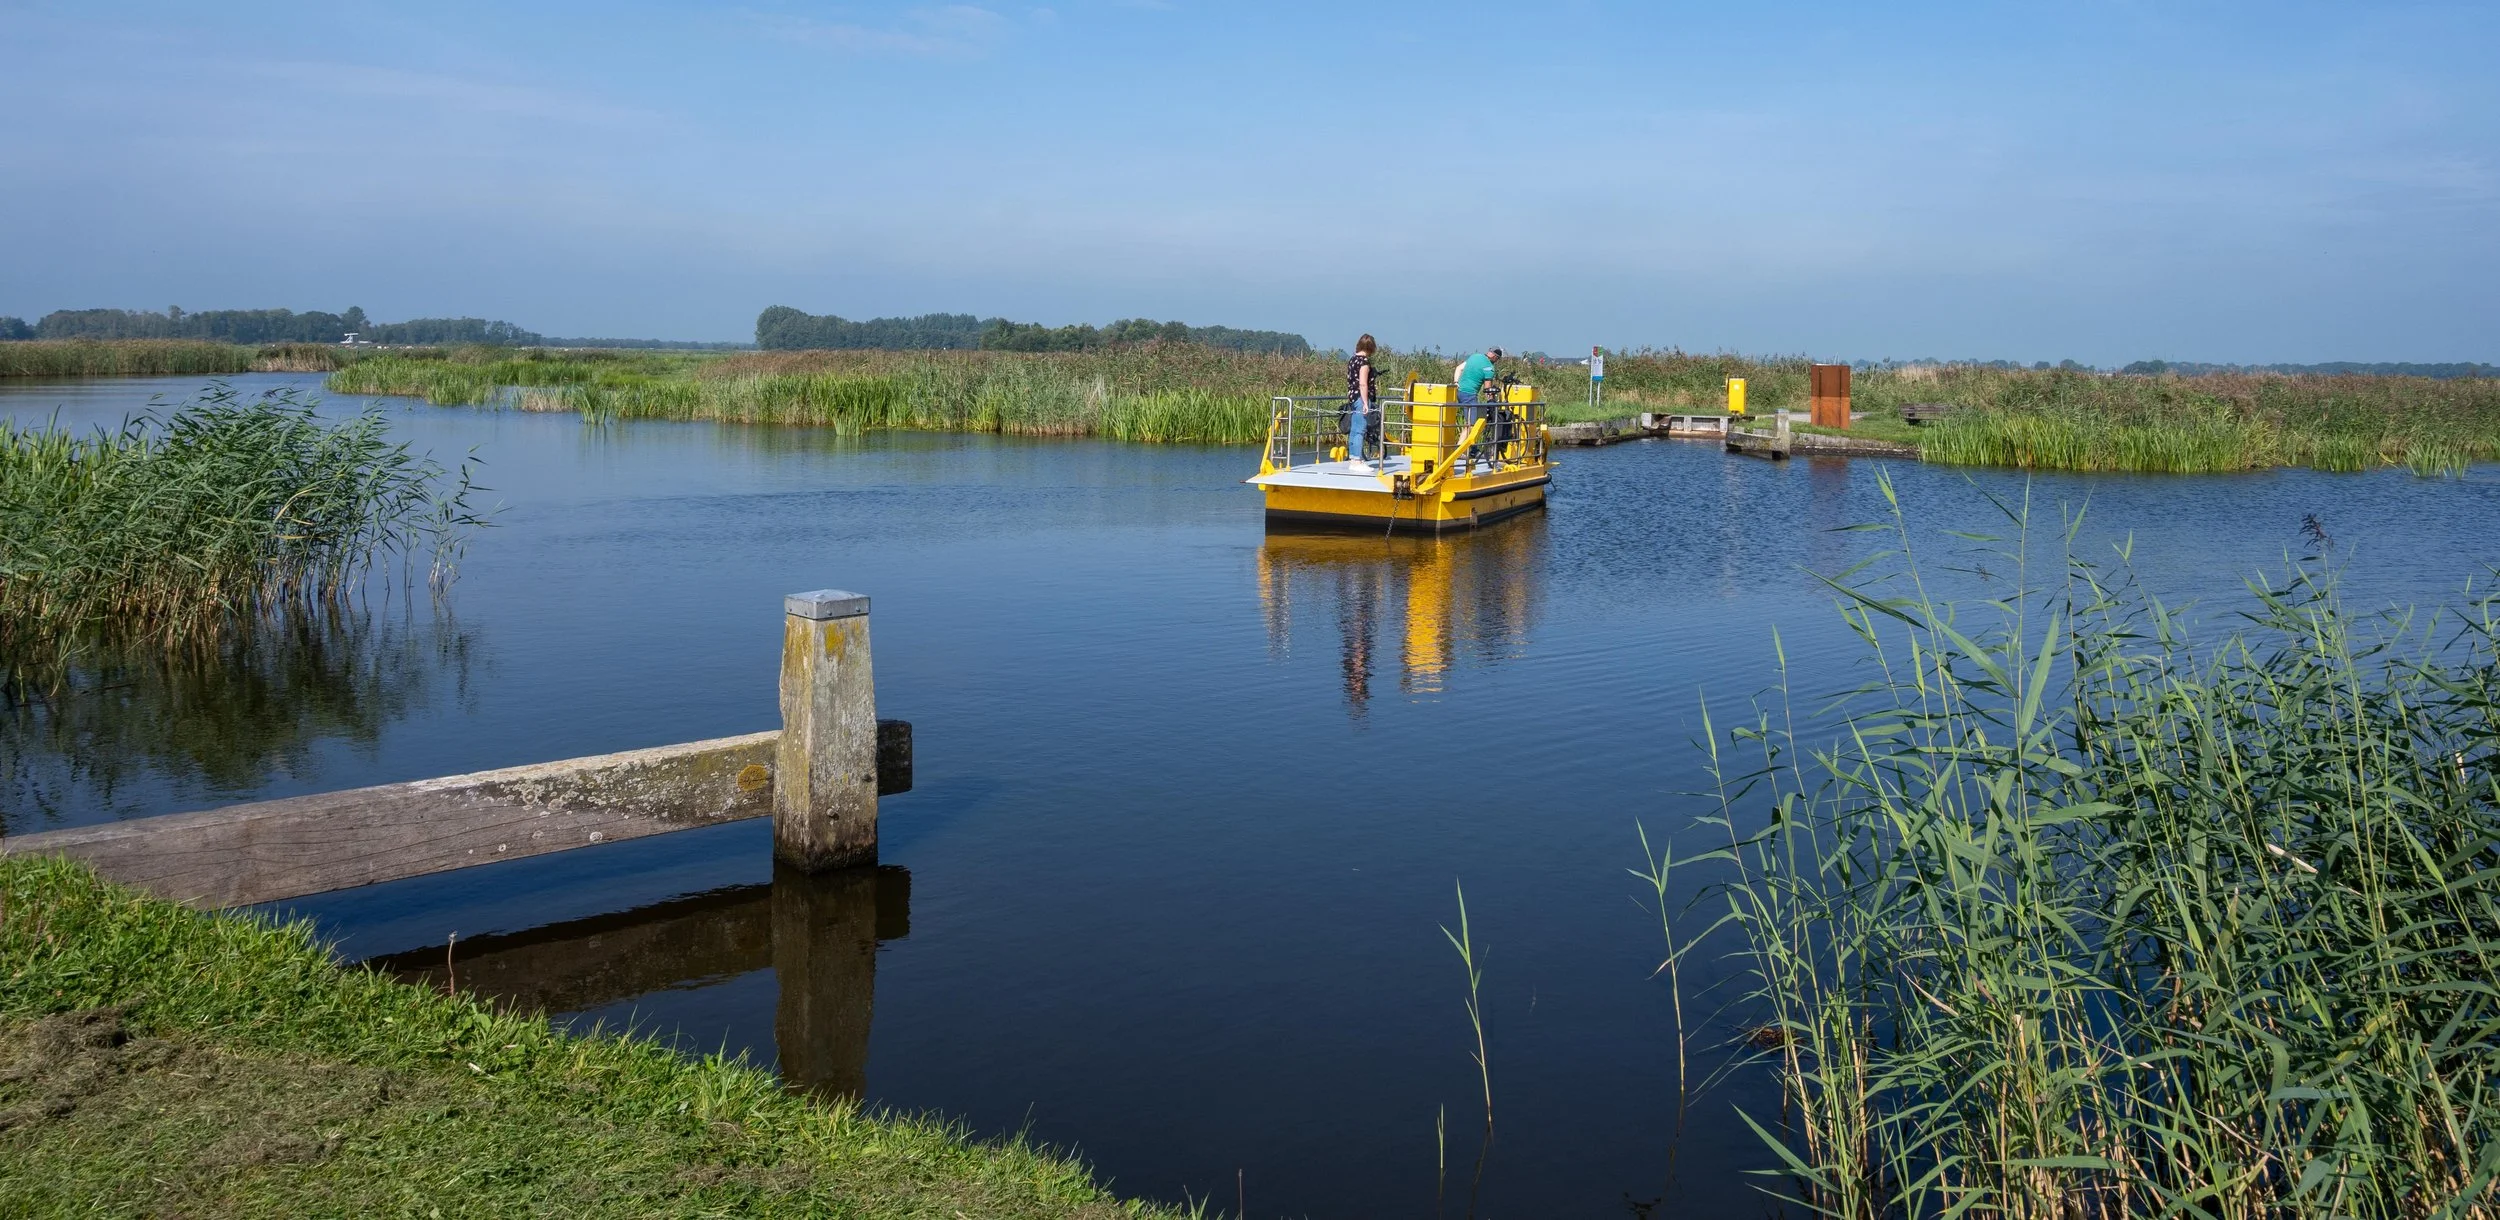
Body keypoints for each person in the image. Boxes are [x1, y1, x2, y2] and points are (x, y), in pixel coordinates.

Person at [1456, 347, 1502, 464]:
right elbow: (1487, 389)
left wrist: (1456, 383)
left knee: (1470, 422)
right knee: (1472, 424)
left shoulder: (1475, 356)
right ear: (1496, 357)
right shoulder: (1489, 368)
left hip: (1460, 392)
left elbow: (1459, 368)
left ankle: (1472, 449)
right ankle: (1459, 450)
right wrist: (1491, 401)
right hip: (1470, 395)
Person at [1345, 334, 1379, 473]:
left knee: (1354, 430)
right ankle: (1357, 461)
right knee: (1360, 429)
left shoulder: (1352, 360)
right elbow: (1363, 384)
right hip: (1360, 398)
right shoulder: (1364, 362)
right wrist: (1366, 403)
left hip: (1352, 397)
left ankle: (1353, 458)